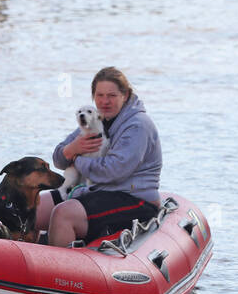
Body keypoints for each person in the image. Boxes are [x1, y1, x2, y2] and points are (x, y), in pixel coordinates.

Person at [36, 66, 161, 247]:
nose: (104, 102)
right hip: (97, 190)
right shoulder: (97, 119)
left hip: (135, 198)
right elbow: (59, 160)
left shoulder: (138, 126)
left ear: (125, 95)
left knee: (63, 214)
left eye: (111, 95)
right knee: (33, 207)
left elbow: (112, 171)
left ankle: (60, 271)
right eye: (99, 95)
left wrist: (77, 158)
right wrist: (71, 149)